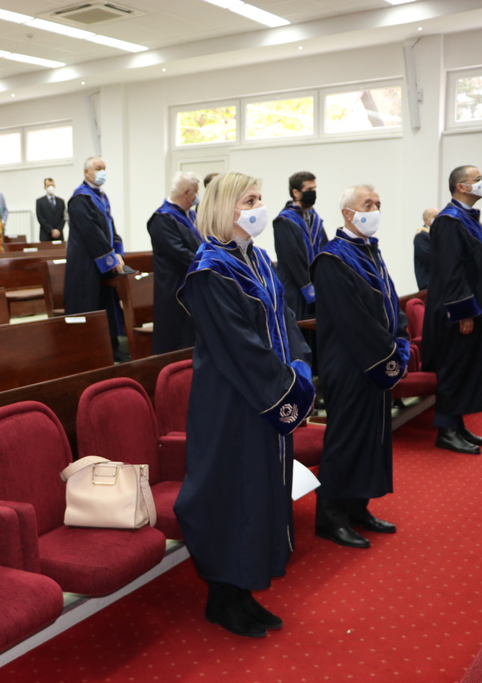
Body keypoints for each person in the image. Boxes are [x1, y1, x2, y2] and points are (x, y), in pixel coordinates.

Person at [175, 171, 314, 639]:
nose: (259, 207)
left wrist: (300, 366)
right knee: (231, 492)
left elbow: (285, 318)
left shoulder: (256, 258)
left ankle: (245, 588)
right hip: (231, 401)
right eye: (250, 200)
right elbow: (239, 346)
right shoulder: (210, 270)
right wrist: (286, 388)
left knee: (259, 491)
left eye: (259, 198)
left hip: (265, 394)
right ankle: (223, 596)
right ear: (225, 207)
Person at [310, 185, 409, 549]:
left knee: (371, 438)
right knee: (347, 439)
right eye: (368, 204)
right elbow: (354, 322)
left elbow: (390, 303)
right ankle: (331, 517)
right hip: (350, 364)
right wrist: (389, 356)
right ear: (348, 213)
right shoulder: (332, 259)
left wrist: (401, 340)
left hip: (375, 359)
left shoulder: (369, 251)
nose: (375, 210)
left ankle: (357, 507)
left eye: (378, 204)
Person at [423, 165, 482, 455]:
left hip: (473, 310)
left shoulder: (467, 219)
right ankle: (446, 430)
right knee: (454, 368)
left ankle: (457, 424)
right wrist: (463, 311)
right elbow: (450, 270)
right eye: (476, 179)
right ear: (461, 187)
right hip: (456, 314)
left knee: (465, 366)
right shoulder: (448, 221)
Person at [64, 156, 125, 360]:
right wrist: (111, 259)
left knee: (107, 307)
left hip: (103, 263)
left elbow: (111, 228)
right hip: (86, 265)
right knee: (90, 306)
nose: (102, 172)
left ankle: (112, 348)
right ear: (87, 172)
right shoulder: (80, 199)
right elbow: (91, 233)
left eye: (104, 168)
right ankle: (91, 353)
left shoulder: (101, 196)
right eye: (99, 168)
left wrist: (118, 252)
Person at [148, 171, 201, 354]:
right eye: (196, 191)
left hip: (193, 285)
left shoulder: (191, 215)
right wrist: (207, 264)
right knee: (176, 341)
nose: (198, 196)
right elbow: (179, 253)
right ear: (187, 192)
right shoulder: (162, 218)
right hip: (174, 288)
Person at [274, 172, 326, 324]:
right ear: (296, 193)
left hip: (316, 285)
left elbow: (325, 247)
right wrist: (307, 286)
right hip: (295, 287)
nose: (313, 193)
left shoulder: (314, 218)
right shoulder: (284, 220)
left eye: (314, 189)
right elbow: (293, 259)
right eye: (309, 190)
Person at [414, 207, 438, 290]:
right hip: (429, 284)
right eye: (435, 217)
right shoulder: (421, 235)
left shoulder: (438, 234)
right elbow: (429, 258)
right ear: (426, 219)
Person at [36, 177, 65, 242]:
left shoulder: (61, 201)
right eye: (48, 185)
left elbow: (63, 217)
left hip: (59, 235)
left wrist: (58, 230)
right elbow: (40, 217)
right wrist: (51, 230)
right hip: (45, 235)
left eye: (52, 185)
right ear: (45, 187)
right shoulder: (40, 201)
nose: (51, 187)